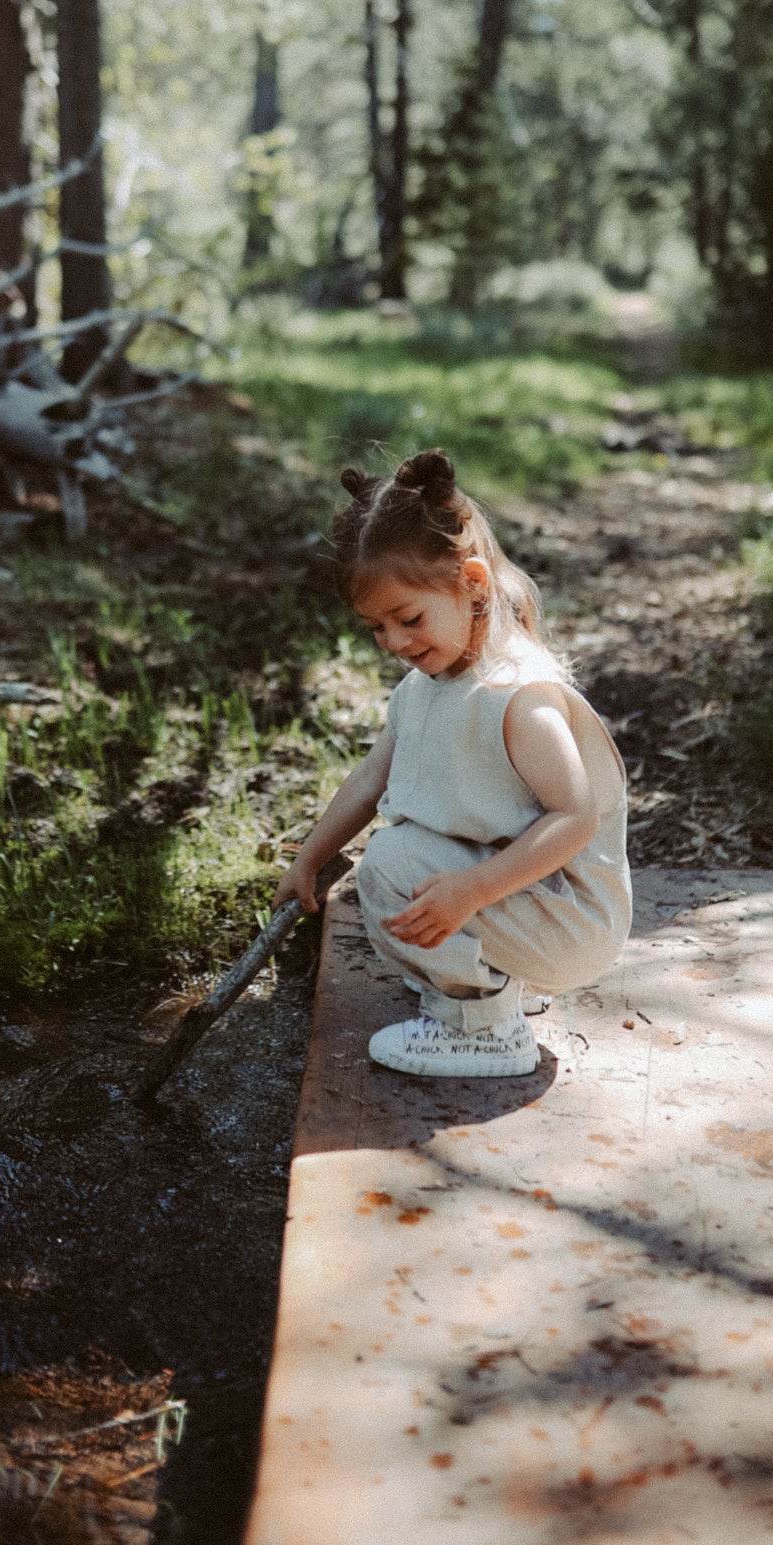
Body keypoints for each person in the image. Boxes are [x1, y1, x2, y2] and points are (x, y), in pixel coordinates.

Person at [272, 448, 630, 1077]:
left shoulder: (517, 695)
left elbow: (575, 818)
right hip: (530, 901)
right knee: (401, 854)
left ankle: (483, 1029)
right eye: (375, 628)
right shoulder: (426, 686)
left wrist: (471, 891)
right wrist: (310, 856)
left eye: (408, 619)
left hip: (570, 918)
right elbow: (368, 781)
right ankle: (493, 982)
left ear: (472, 582)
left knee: (391, 864)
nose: (395, 643)